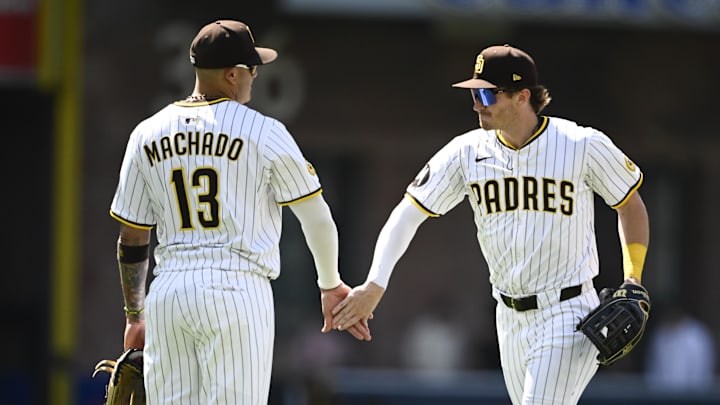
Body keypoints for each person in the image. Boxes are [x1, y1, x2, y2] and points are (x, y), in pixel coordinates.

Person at [332, 44, 650, 404]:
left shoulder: (580, 143)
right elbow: (408, 213)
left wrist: (633, 278)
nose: (476, 104)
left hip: (567, 312)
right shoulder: (467, 152)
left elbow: (630, 204)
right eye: (473, 93)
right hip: (508, 316)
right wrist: (375, 284)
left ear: (522, 96)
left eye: (486, 93)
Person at [109, 19, 370, 404]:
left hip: (168, 291)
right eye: (252, 69)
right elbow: (316, 215)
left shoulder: (146, 133)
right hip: (237, 288)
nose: (255, 77)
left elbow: (132, 238)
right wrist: (330, 284)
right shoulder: (264, 131)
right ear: (232, 74)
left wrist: (135, 316)